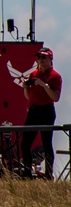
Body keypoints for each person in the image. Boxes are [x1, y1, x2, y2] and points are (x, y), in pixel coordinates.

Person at [21, 47, 62, 179]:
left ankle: (48, 174)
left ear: (50, 59)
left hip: (47, 111)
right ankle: (27, 173)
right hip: (33, 110)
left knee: (46, 143)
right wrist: (26, 88)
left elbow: (55, 97)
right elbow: (29, 96)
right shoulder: (33, 74)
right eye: (39, 57)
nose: (40, 60)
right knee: (25, 143)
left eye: (44, 57)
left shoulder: (55, 76)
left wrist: (44, 85)